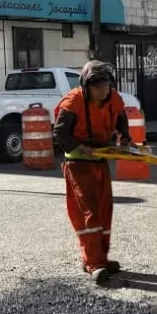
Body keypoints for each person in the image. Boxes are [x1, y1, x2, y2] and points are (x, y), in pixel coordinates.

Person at [52, 60, 131, 284]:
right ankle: (94, 263)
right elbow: (60, 133)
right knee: (90, 213)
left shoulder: (113, 98)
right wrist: (81, 148)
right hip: (78, 163)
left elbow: (121, 118)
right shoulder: (73, 102)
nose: (103, 91)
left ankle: (101, 258)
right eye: (98, 86)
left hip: (100, 160)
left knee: (105, 210)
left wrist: (124, 140)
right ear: (86, 86)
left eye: (106, 85)